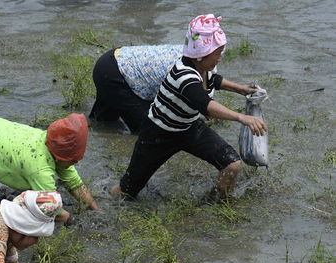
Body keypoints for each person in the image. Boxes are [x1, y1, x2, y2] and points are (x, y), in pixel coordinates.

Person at [110, 14, 268, 200]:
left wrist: (241, 89)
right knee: (127, 190)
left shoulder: (205, 68)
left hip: (189, 127)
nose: (219, 58)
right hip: (158, 134)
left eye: (221, 53)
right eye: (217, 54)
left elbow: (214, 81)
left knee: (231, 164)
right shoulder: (183, 75)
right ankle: (107, 201)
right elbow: (206, 106)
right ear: (201, 55)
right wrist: (242, 117)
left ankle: (217, 202)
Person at [0, 113, 100, 216]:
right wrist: (71, 220)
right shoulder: (40, 169)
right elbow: (52, 209)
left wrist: (95, 209)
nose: (76, 162)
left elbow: (74, 183)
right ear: (62, 156)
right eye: (74, 160)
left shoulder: (53, 142)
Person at [89, 44, 183, 133]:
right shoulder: (186, 74)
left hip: (113, 59)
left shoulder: (189, 52)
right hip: (116, 76)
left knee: (103, 123)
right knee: (148, 131)